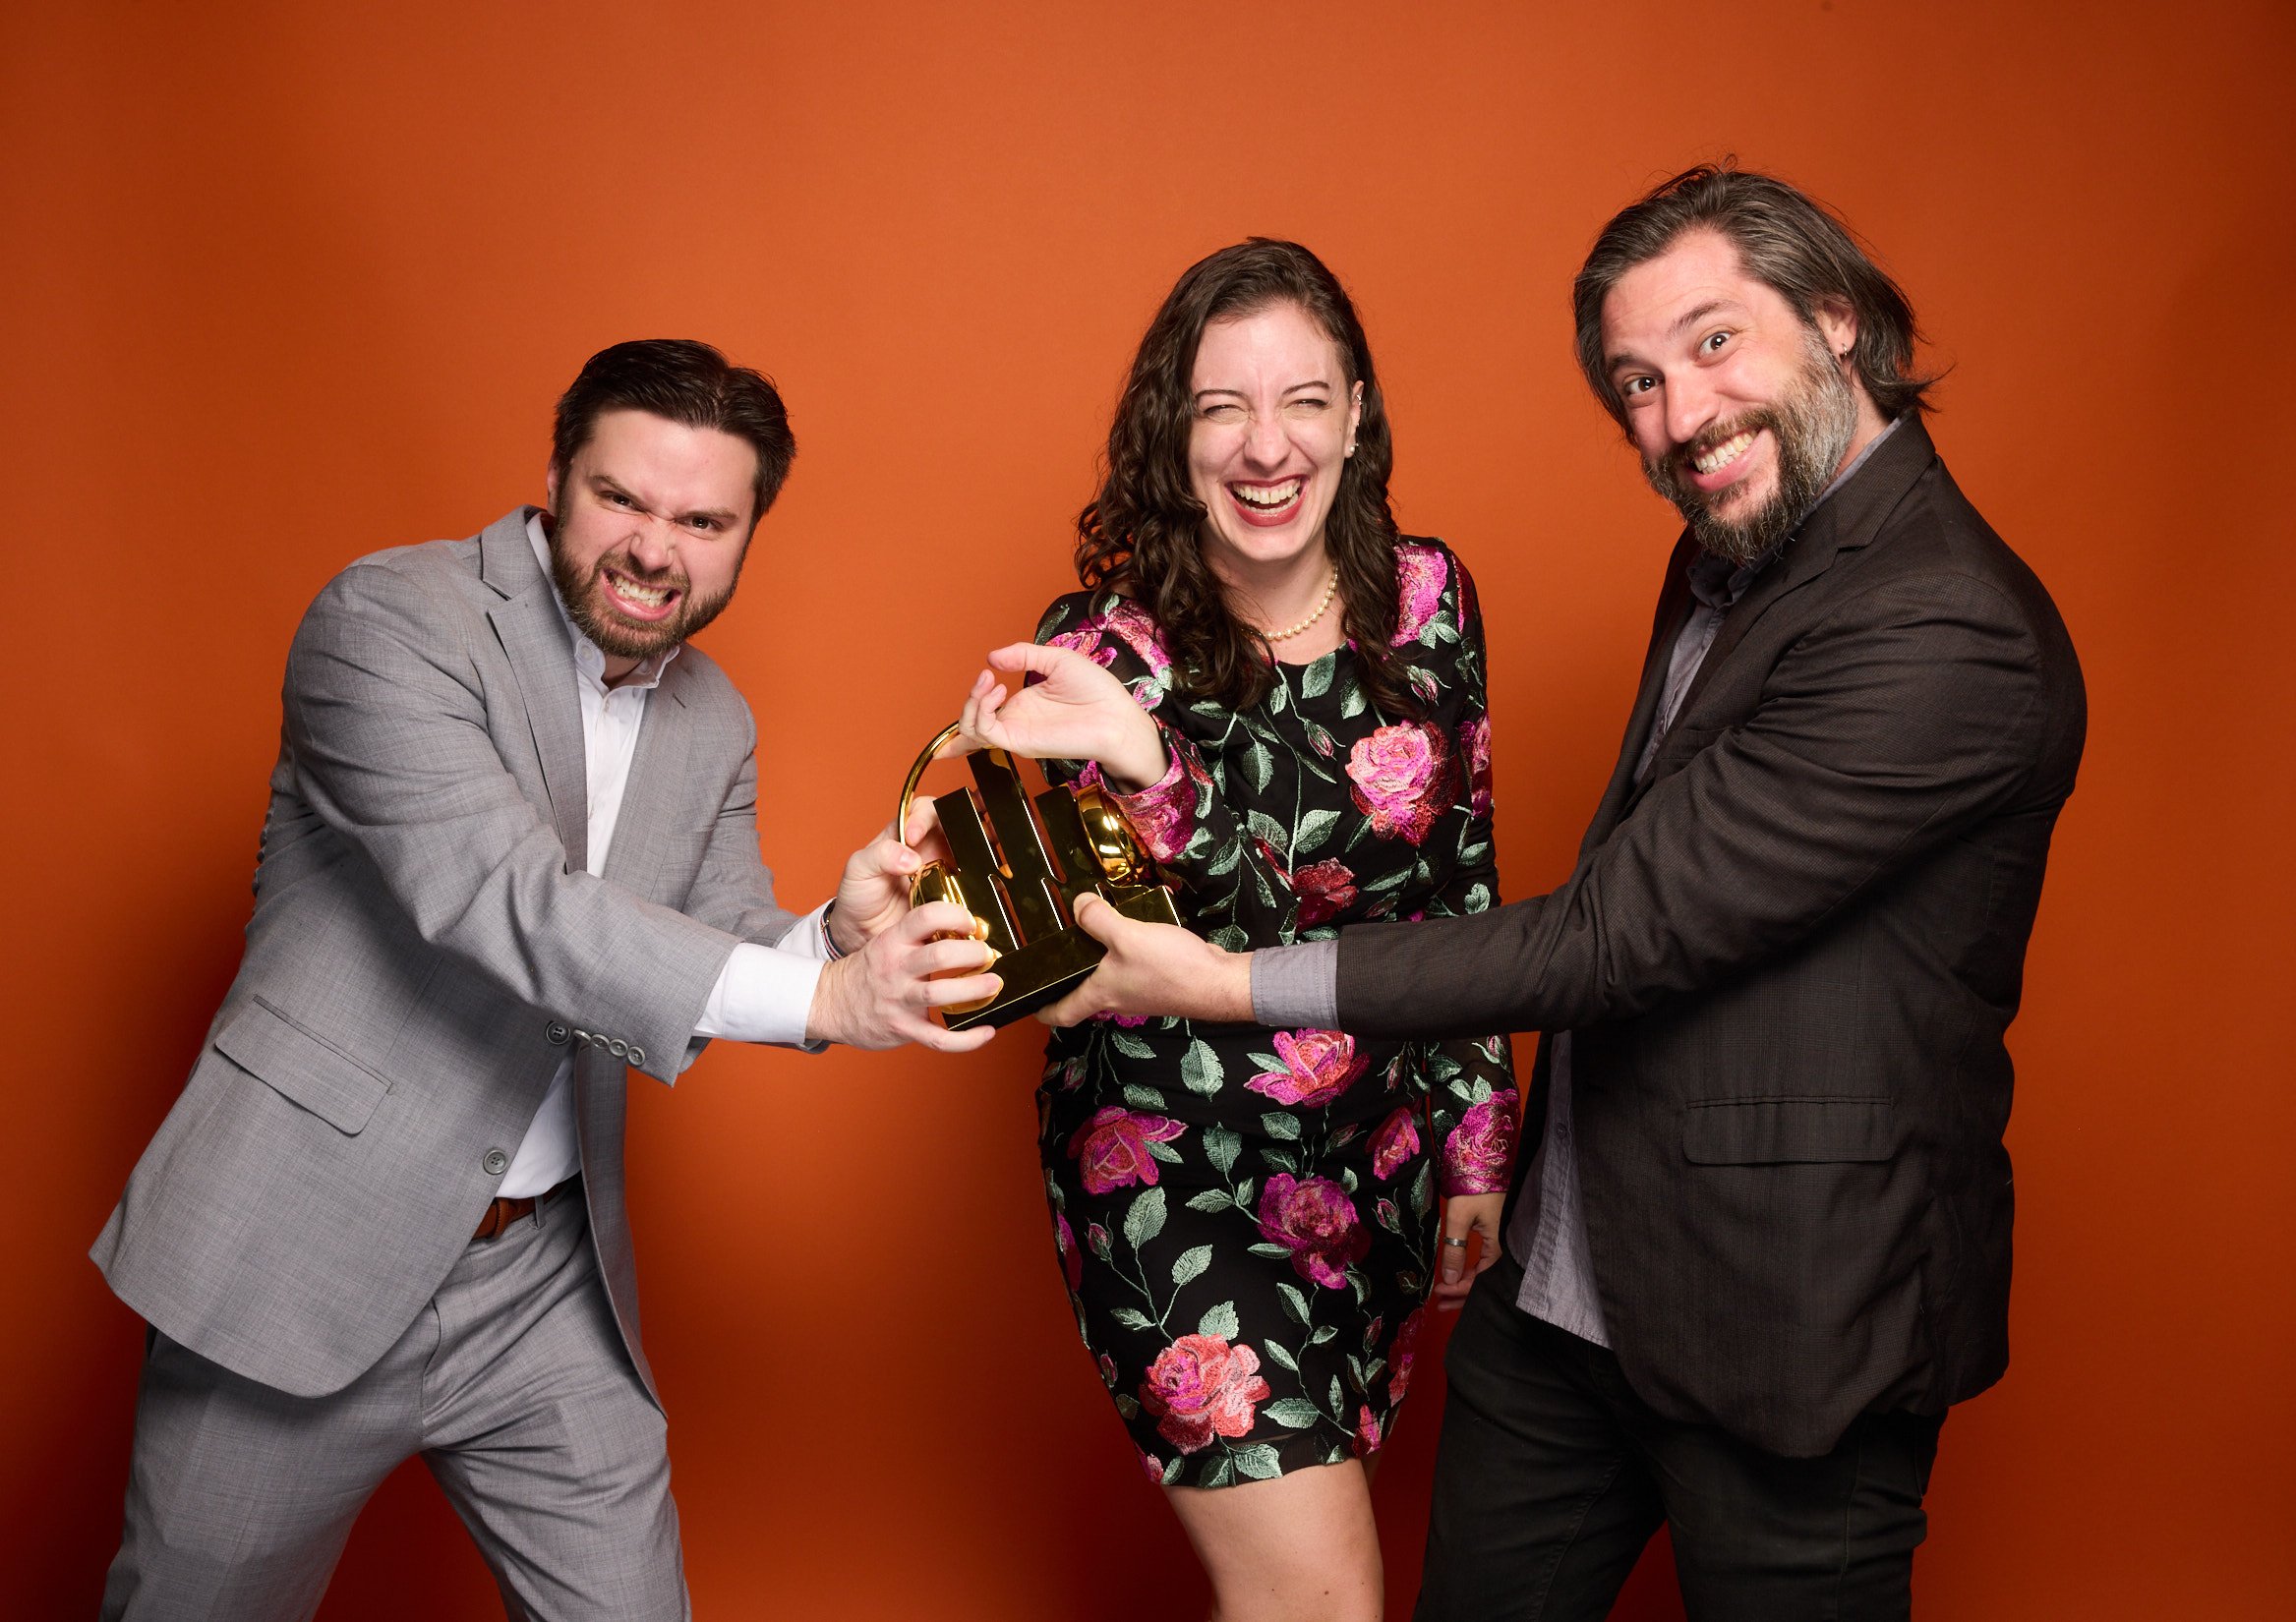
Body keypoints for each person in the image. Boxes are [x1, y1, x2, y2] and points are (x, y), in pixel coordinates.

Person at [1039, 168, 2087, 1620]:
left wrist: (1454, 1129)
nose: (1678, 414)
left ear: (1838, 319)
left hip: (1782, 1317)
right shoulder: (1732, 552)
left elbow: (1581, 920)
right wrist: (863, 929)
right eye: (1637, 380)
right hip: (1492, 1273)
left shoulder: (1944, 625)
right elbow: (1018, 898)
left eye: (1714, 343)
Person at [90, 338, 1000, 1621]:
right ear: (558, 481)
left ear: (746, 539)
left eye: (701, 519)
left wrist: (828, 943)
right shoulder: (390, 620)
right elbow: (503, 898)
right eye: (622, 498)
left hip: (542, 1285)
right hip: (301, 1245)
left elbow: (716, 930)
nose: (653, 548)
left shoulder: (714, 716)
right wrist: (818, 1003)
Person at [957, 239, 1517, 1622]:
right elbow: (1169, 944)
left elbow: (1458, 886)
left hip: (1372, 1161)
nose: (1266, 448)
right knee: (1321, 1599)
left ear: (1359, 413)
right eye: (1222, 409)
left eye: (1303, 400)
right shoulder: (1101, 656)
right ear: (1175, 432)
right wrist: (1152, 764)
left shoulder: (1434, 600)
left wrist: (1475, 1131)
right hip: (1171, 1164)